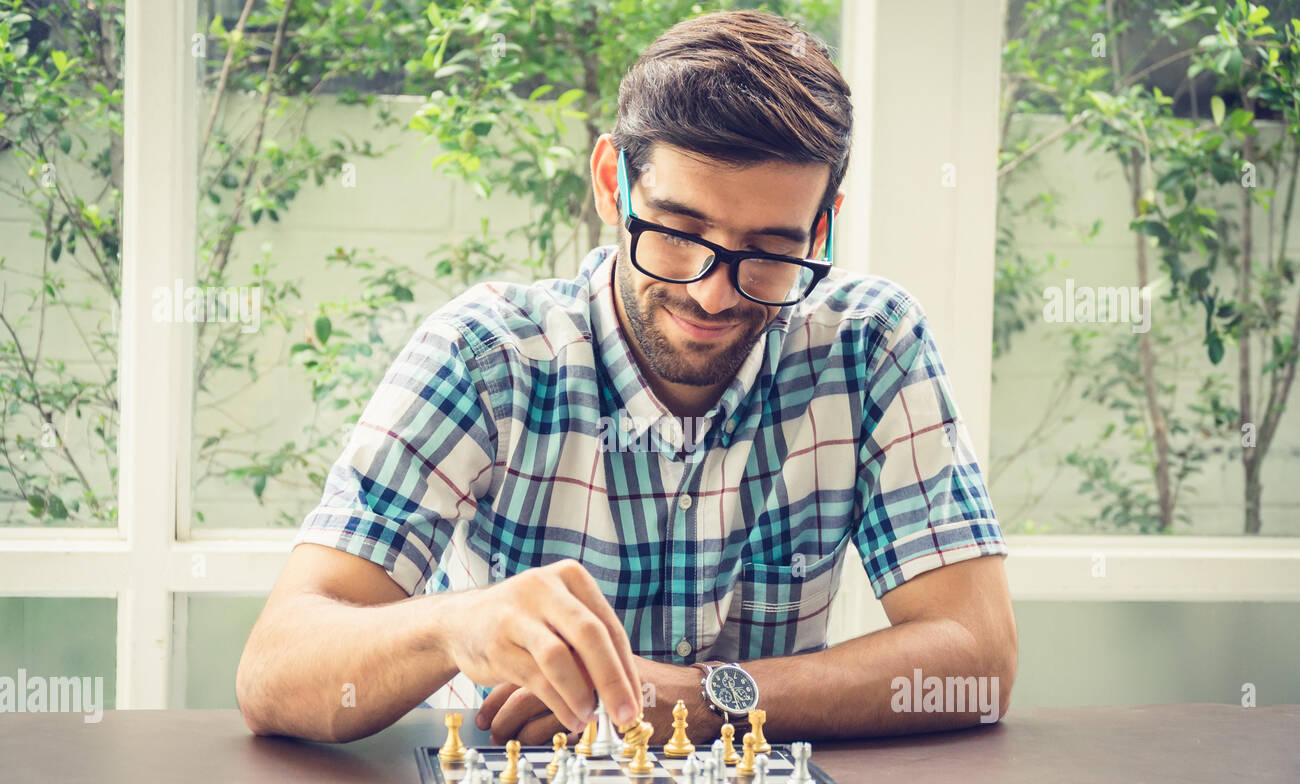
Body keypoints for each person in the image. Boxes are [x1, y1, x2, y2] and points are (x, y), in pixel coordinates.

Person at [235, 9, 1016, 746]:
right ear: (613, 181)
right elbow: (275, 672)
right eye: (679, 233)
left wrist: (702, 697)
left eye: (771, 250)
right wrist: (454, 625)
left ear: (821, 224)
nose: (712, 293)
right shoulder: (486, 358)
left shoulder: (868, 344)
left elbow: (976, 662)